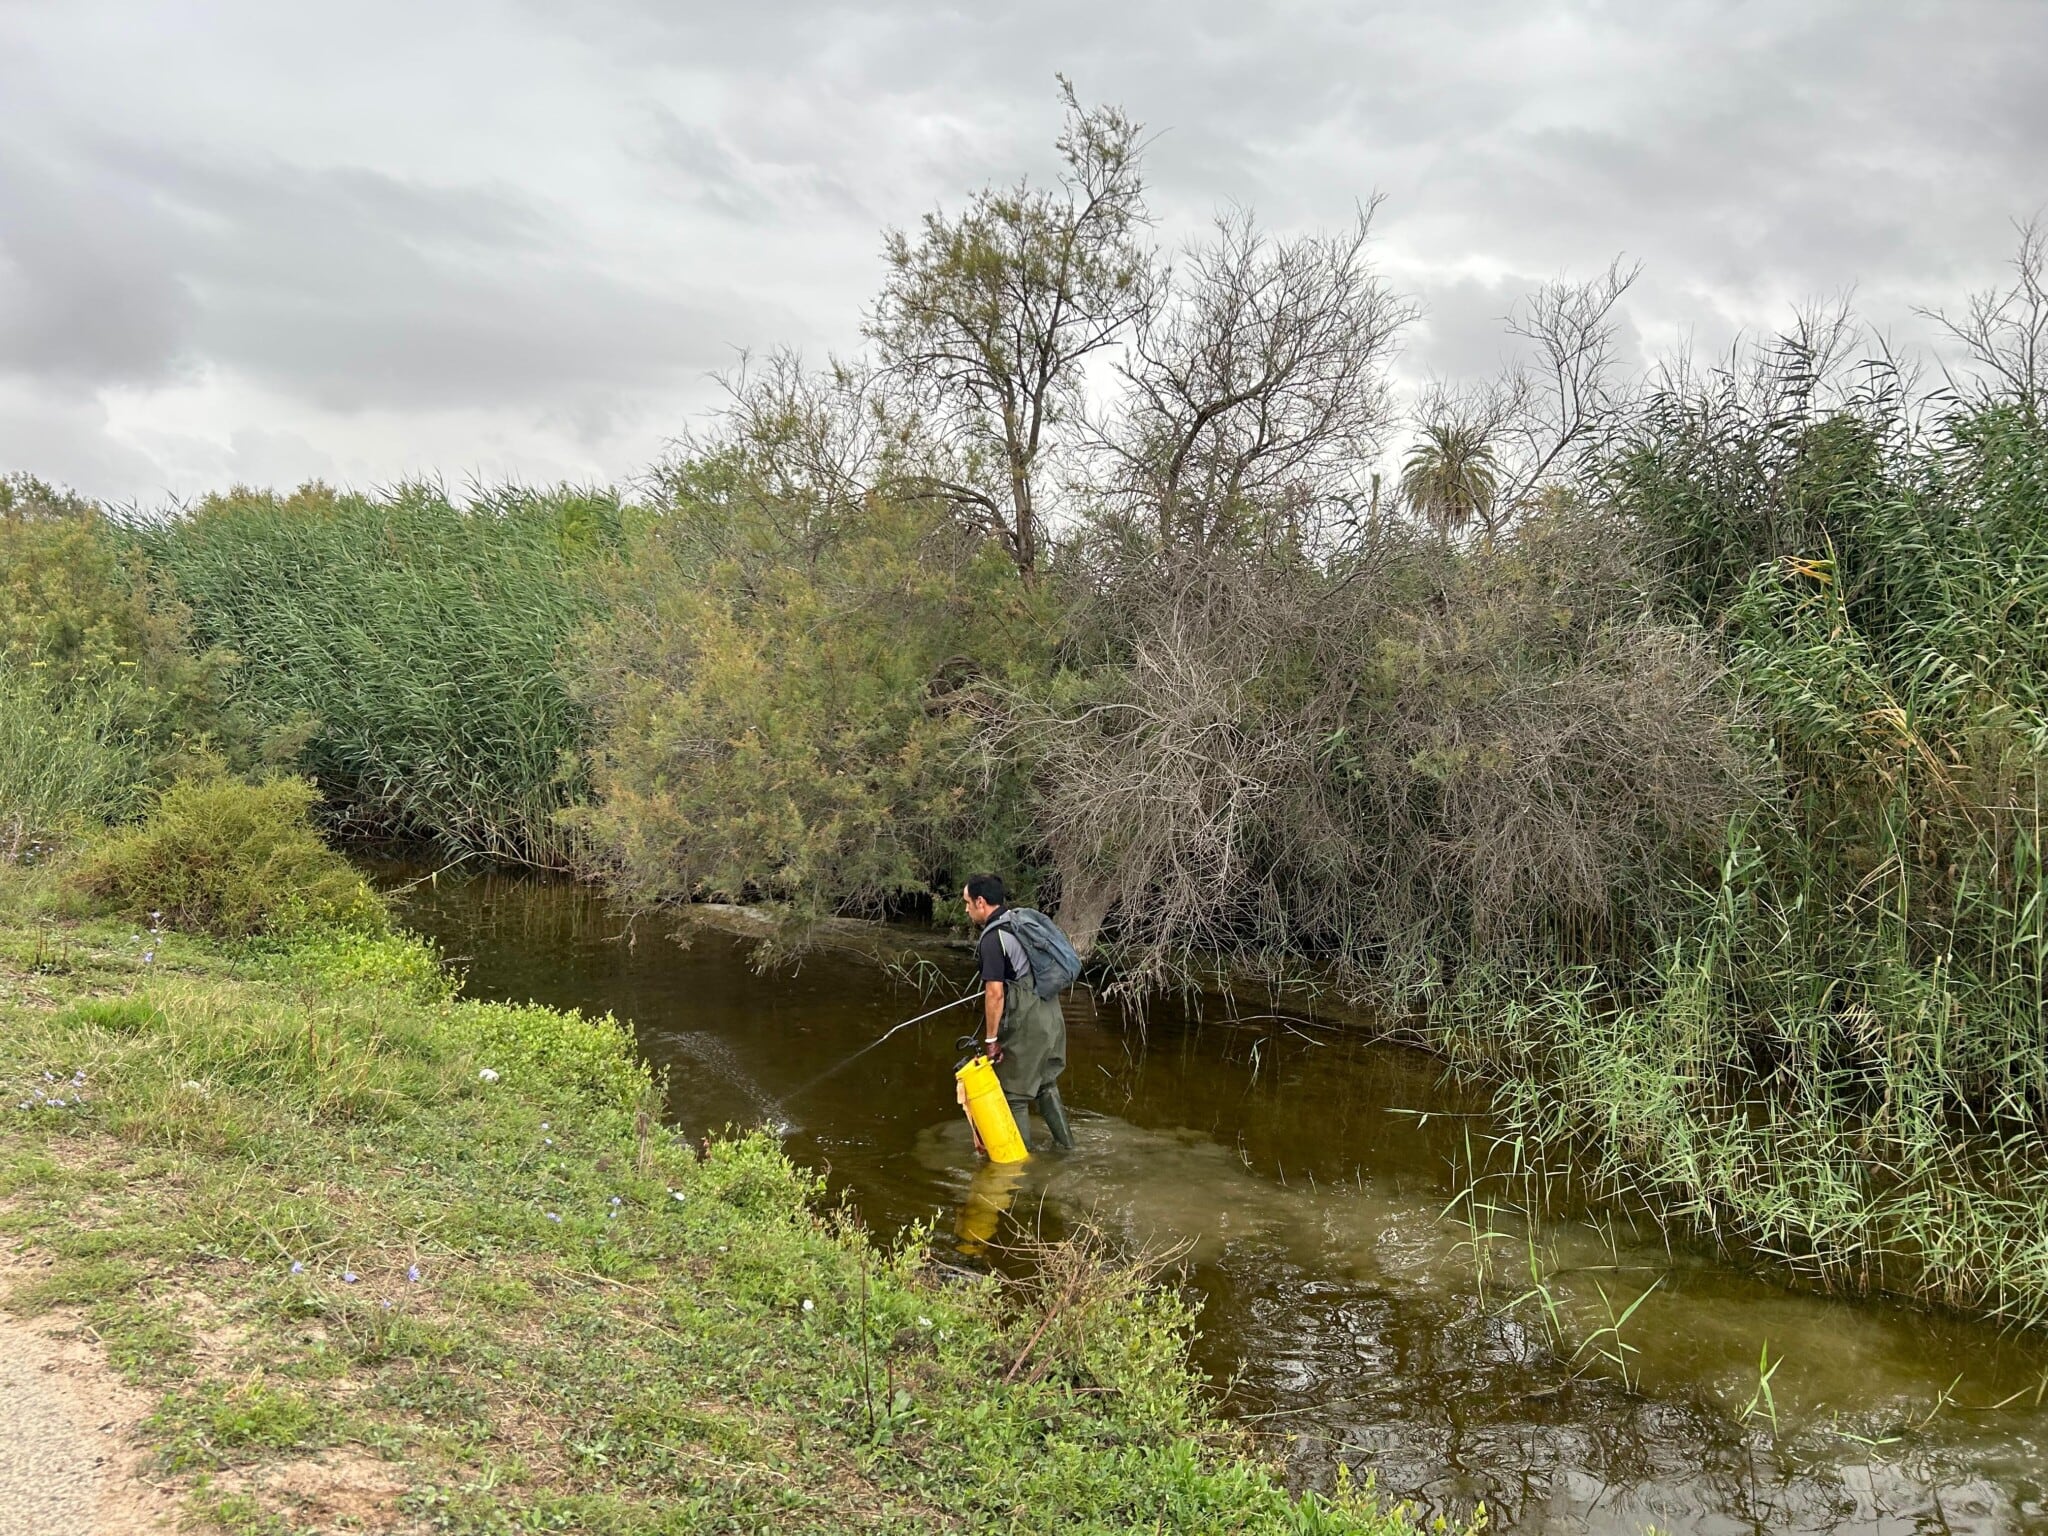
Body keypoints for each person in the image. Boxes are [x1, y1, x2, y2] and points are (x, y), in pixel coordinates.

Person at [963, 873, 1074, 1151]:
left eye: (967, 903)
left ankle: (1021, 1170)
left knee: (1014, 1095)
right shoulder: (1020, 921)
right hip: (1051, 1014)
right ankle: (1068, 1149)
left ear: (981, 902)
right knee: (1046, 1084)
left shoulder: (992, 938)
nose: (965, 909)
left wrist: (991, 1041)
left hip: (1027, 1022)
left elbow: (995, 993)